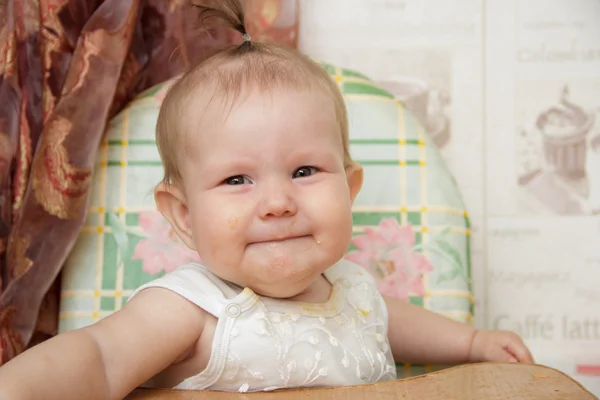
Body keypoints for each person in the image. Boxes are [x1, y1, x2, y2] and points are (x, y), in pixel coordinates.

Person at [0, 1, 533, 398]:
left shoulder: (353, 290)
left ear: (348, 191)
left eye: (304, 170)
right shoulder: (194, 308)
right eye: (237, 180)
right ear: (184, 216)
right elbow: (98, 356)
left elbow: (392, 321)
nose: (277, 202)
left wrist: (471, 345)